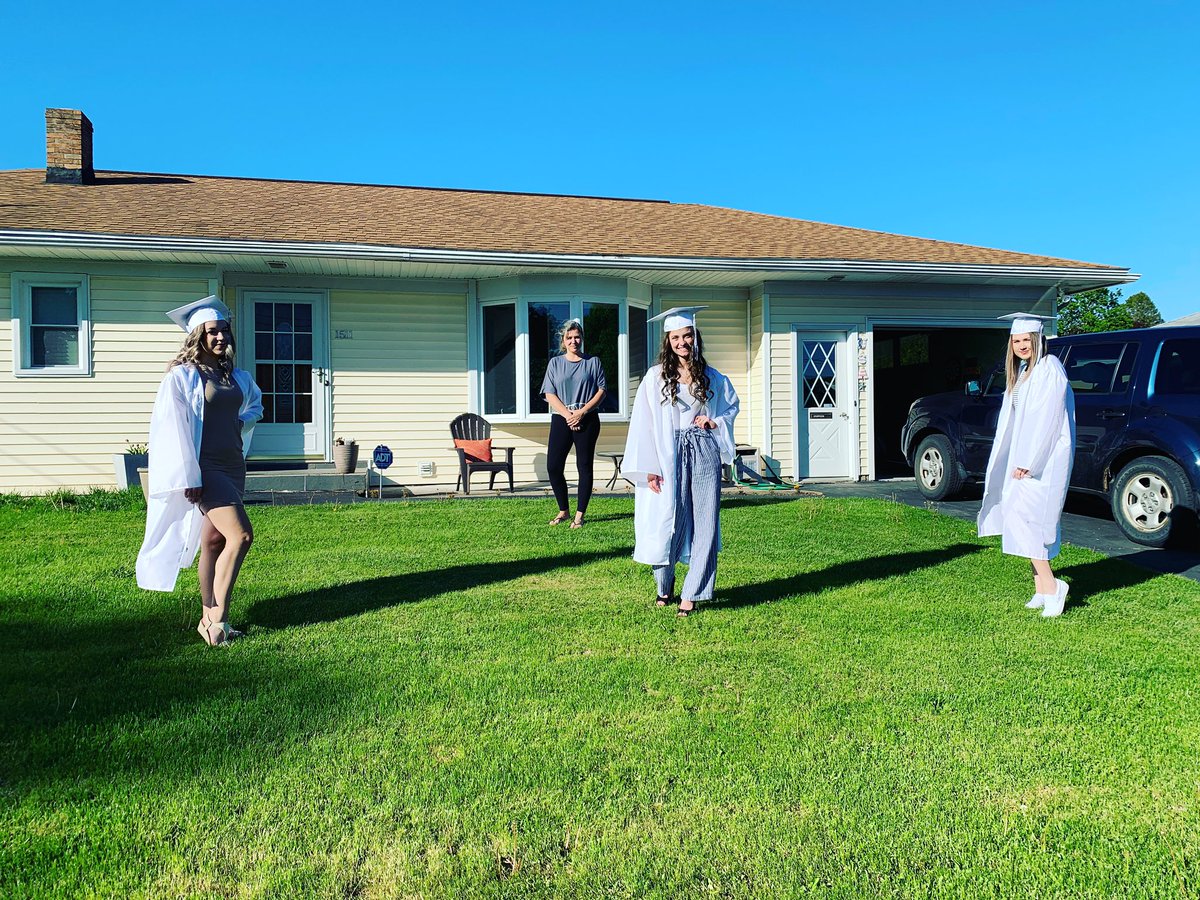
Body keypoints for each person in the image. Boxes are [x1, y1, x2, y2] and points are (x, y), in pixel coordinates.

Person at [136, 296, 264, 645]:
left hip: (233, 464)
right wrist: (188, 477)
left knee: (213, 540)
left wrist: (241, 421)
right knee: (241, 536)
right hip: (204, 467)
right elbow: (171, 429)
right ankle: (218, 621)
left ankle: (206, 617)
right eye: (213, 332)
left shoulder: (237, 376)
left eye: (224, 331)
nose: (221, 337)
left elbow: (255, 405)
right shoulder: (182, 377)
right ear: (197, 336)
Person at [622, 307, 740, 616]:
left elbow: (730, 407)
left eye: (687, 335)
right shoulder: (655, 377)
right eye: (676, 337)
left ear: (695, 337)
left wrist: (714, 422)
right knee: (666, 520)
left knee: (705, 523)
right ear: (668, 340)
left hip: (702, 450)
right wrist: (648, 467)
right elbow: (643, 423)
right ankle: (664, 584)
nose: (682, 342)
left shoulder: (712, 376)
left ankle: (692, 593)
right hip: (666, 452)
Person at [978, 313, 1076, 617]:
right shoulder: (1022, 371)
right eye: (1017, 340)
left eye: (1026, 340)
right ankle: (1041, 589)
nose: (1022, 345)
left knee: (1030, 521)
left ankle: (1054, 587)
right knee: (1019, 517)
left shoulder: (1049, 370)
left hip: (1041, 461)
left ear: (1038, 339)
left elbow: (1047, 422)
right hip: (1022, 458)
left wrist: (1029, 462)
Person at [541, 318, 608, 529]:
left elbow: (602, 390)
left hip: (588, 418)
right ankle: (563, 510)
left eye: (577, 337)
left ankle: (579, 515)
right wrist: (568, 415)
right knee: (553, 466)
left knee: (584, 466)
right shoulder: (555, 363)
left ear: (582, 338)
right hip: (561, 418)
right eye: (569, 337)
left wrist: (581, 412)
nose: (573, 341)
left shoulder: (593, 362)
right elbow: (549, 393)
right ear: (563, 340)